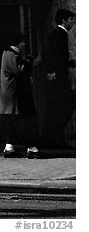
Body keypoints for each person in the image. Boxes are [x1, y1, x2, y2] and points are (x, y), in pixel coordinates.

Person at [0, 32, 40, 159]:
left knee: (10, 122)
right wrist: (29, 60)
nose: (24, 44)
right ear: (18, 43)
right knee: (22, 122)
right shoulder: (11, 54)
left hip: (8, 96)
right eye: (22, 42)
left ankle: (9, 147)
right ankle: (31, 148)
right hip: (13, 96)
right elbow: (20, 69)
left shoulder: (7, 53)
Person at [41, 9, 76, 149]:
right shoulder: (60, 34)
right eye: (71, 19)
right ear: (64, 20)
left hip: (57, 76)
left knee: (56, 108)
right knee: (64, 107)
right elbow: (54, 55)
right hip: (59, 79)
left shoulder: (57, 34)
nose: (73, 22)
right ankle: (56, 138)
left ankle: (52, 138)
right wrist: (52, 71)